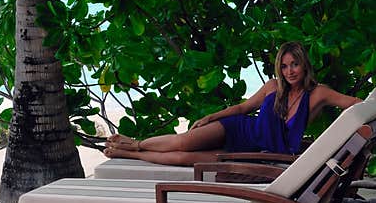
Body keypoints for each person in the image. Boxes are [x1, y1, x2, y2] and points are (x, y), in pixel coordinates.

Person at [103, 41, 361, 165]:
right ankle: (135, 144)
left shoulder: (319, 94)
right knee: (183, 141)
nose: (290, 71)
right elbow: (242, 109)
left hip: (252, 151)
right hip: (237, 127)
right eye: (284, 66)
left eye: (295, 64)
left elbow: (357, 104)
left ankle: (127, 153)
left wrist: (375, 115)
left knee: (186, 159)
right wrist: (211, 117)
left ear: (304, 64)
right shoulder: (273, 87)